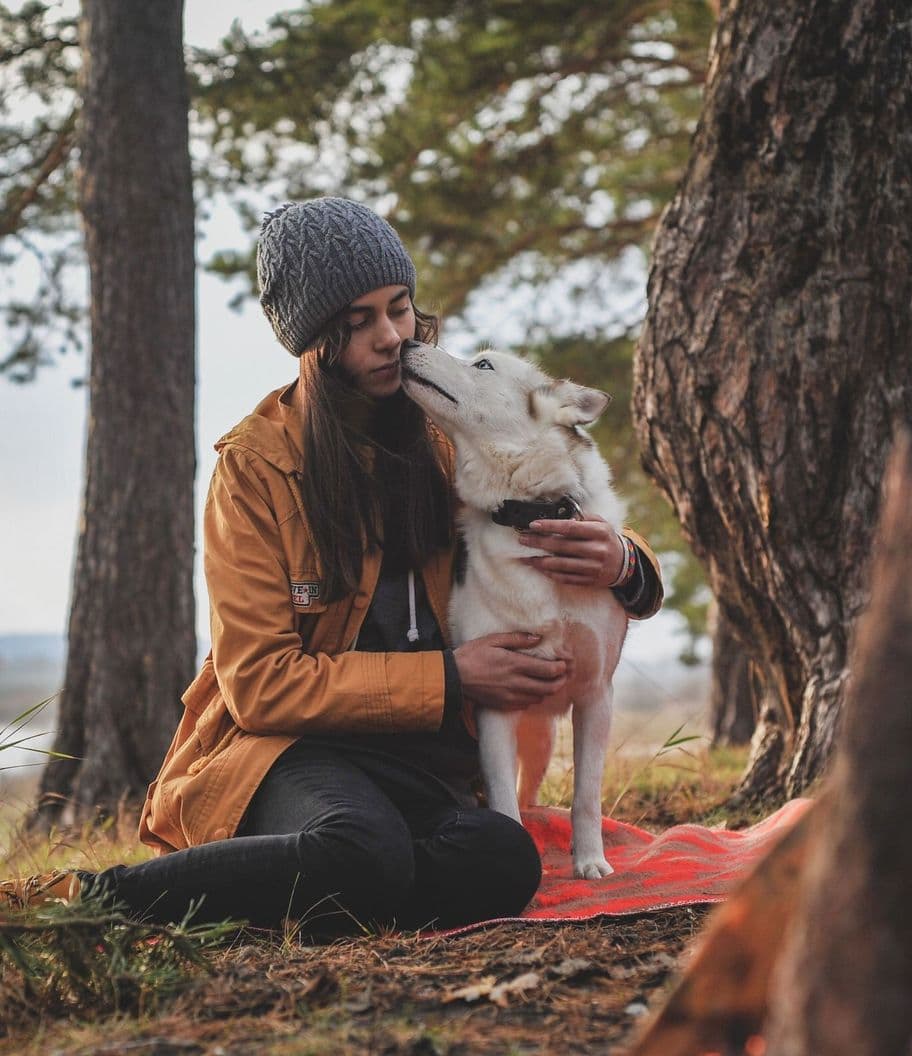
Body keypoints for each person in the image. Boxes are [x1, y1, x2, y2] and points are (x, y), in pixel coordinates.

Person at [2, 198, 663, 936]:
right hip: (289, 751)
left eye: (400, 309)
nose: (390, 338)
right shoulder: (255, 469)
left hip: (425, 761)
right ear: (313, 342)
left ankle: (316, 887)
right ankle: (78, 901)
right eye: (356, 323)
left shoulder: (448, 432)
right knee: (362, 851)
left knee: (501, 860)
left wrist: (626, 561)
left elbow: (548, 480)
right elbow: (257, 685)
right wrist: (452, 677)